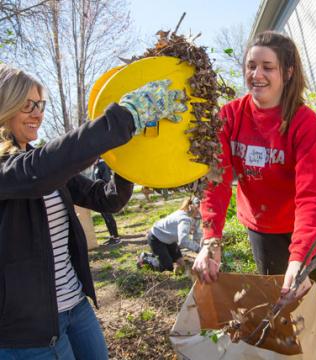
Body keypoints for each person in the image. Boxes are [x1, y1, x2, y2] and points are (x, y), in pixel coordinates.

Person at [0, 64, 187, 359]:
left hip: (76, 306)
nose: (38, 114)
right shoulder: (12, 169)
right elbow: (38, 173)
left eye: (40, 104)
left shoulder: (40, 163)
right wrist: (123, 118)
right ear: (5, 106)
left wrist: (129, 157)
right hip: (29, 329)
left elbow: (107, 199)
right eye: (27, 105)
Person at [192, 31, 316, 297]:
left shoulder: (304, 122)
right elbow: (215, 180)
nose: (256, 75)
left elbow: (313, 194)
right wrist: (211, 240)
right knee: (280, 307)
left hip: (305, 227)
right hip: (263, 228)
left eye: (268, 67)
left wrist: (300, 257)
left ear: (288, 72)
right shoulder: (229, 116)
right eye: (251, 66)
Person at [138, 197, 202, 274]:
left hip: (169, 239)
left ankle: (163, 256)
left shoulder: (193, 216)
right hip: (156, 238)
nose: (201, 212)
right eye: (199, 209)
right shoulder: (184, 219)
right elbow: (183, 241)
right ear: (193, 207)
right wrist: (199, 249)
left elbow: (197, 234)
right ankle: (145, 258)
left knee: (180, 262)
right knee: (168, 267)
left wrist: (202, 248)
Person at [93, 158, 121, 245]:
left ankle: (116, 237)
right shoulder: (96, 166)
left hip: (104, 195)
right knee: (105, 217)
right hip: (98, 196)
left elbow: (106, 180)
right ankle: (112, 236)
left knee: (109, 217)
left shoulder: (103, 165)